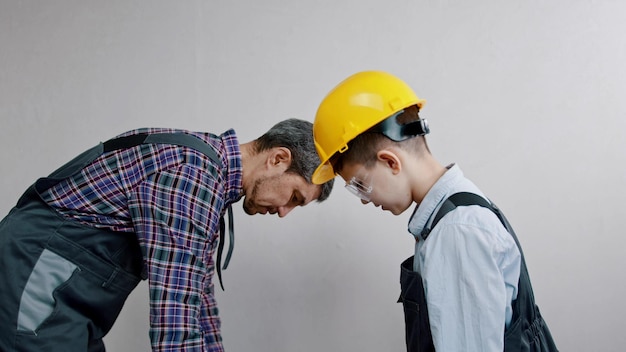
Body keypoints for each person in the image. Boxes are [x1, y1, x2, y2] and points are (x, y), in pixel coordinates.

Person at [0, 119, 334, 352]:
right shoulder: (192, 177)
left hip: (67, 293)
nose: (284, 211)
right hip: (38, 273)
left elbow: (199, 305)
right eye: (294, 196)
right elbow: (174, 312)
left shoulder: (210, 179)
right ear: (278, 159)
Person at [311, 71, 557, 351]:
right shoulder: (458, 211)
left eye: (360, 185)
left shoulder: (457, 232)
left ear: (391, 162)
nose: (364, 200)